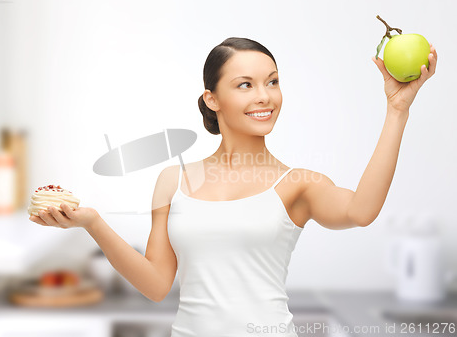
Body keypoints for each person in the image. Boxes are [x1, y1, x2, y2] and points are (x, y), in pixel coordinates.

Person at [29, 37, 437, 336]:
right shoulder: (174, 181)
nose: (265, 96)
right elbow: (156, 285)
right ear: (212, 99)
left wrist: (396, 110)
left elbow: (361, 211)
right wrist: (92, 222)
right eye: (245, 84)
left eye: (272, 82)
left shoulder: (296, 185)